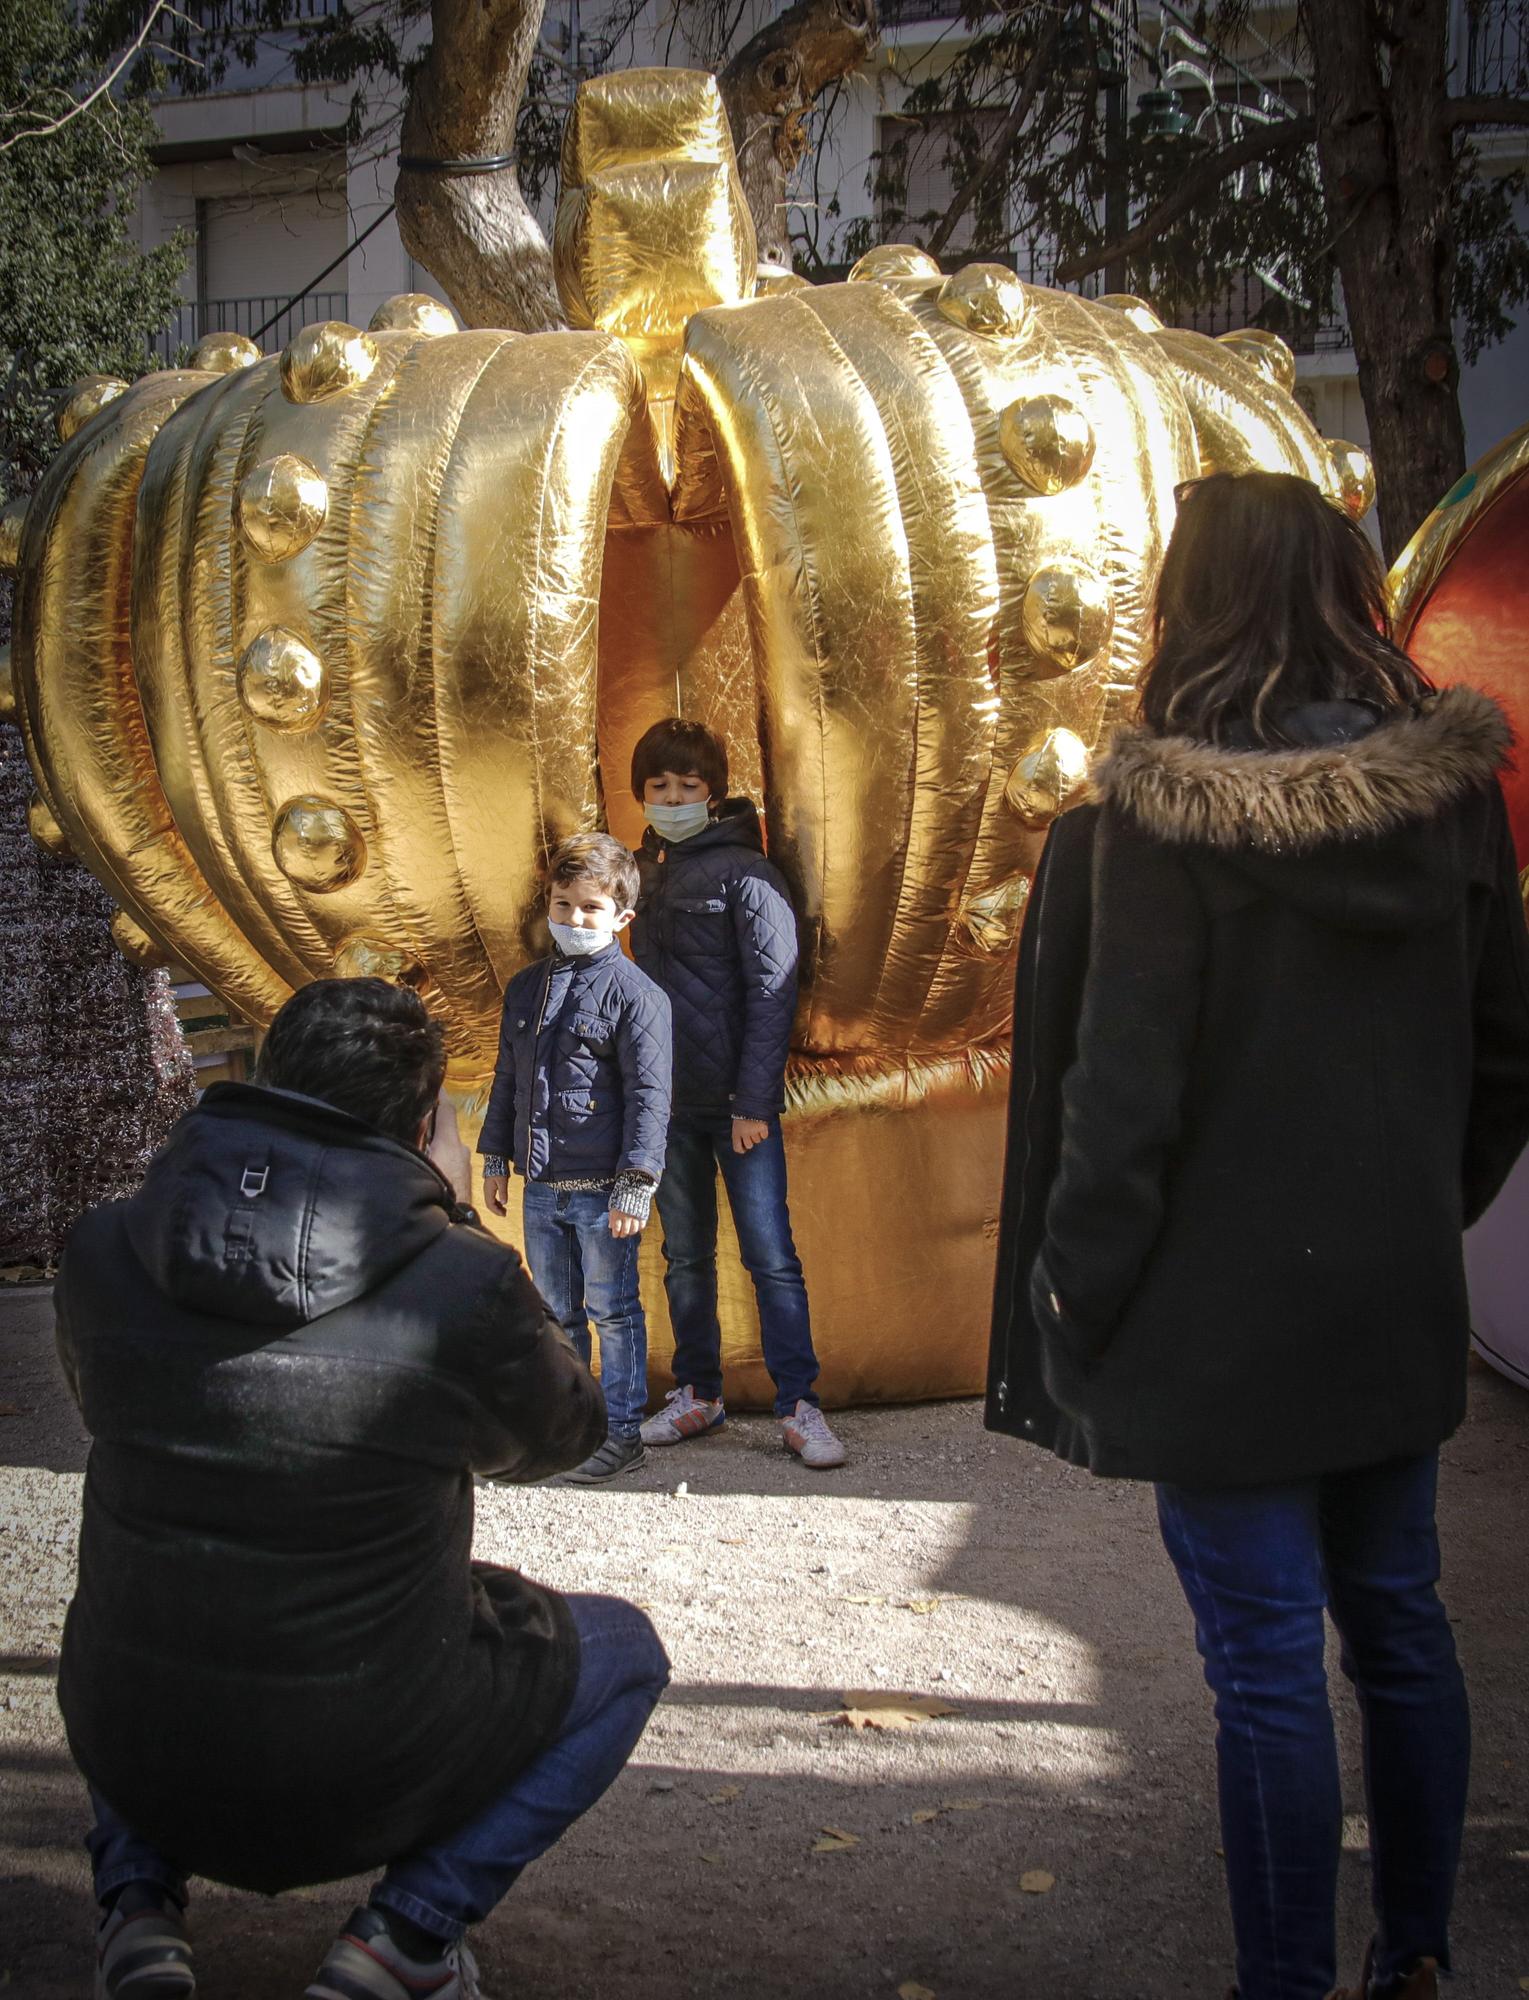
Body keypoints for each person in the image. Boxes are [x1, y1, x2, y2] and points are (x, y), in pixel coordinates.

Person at [987, 471, 1529, 2000]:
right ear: (1348, 591)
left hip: (1210, 1326)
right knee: (1403, 1630)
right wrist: (1418, 1214)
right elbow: (1507, 1057)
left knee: (1266, 1670)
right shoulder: (1458, 799)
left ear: (1193, 601)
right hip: (1391, 1298)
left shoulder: (1155, 820)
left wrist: (1073, 1291)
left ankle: (1283, 1981)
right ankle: (1412, 1960)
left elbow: (1123, 1100)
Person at [55, 978, 670, 2000]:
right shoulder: (457, 1281)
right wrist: (461, 1223)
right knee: (622, 1653)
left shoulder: (103, 1247)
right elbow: (568, 1431)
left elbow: (102, 1401)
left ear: (260, 1078)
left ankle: (136, 1911)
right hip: (364, 1763)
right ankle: (406, 1934)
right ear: (423, 1121)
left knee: (153, 1613)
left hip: (139, 1740)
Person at [627, 718, 846, 1469]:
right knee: (683, 1256)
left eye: (688, 786)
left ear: (713, 793)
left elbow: (771, 993)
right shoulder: (641, 870)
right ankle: (699, 1394)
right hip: (665, 1107)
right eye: (659, 786)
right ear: (641, 793)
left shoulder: (747, 875)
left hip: (736, 1109)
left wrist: (754, 1101)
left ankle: (799, 1404)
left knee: (769, 1255)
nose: (673, 797)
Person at [478, 832, 671, 1482]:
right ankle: (567, 1434)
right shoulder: (527, 988)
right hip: (542, 1190)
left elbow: (649, 1097)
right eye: (563, 906)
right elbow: (508, 1076)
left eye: (590, 909)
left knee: (613, 1313)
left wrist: (635, 1186)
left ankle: (620, 1435)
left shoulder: (637, 996)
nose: (574, 920)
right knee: (557, 1315)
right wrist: (495, 1157)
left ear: (622, 917)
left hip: (602, 1193)